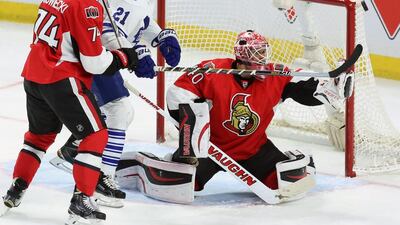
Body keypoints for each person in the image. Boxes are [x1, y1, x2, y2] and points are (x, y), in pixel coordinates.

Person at [113, 30, 353, 203]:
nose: (261, 62)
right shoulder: (213, 70)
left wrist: (325, 89)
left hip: (255, 150)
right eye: (255, 57)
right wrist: (194, 129)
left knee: (289, 184)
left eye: (263, 55)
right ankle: (139, 164)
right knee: (179, 188)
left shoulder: (274, 75)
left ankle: (295, 159)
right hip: (210, 150)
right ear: (241, 58)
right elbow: (177, 93)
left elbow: (302, 89)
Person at [0, 0, 142, 223]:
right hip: (61, 79)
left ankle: (16, 189)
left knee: (39, 138)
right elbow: (93, 63)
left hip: (34, 75)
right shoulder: (87, 6)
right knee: (95, 136)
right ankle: (81, 202)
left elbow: (72, 38)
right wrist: (122, 58)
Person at [49, 0, 181, 208]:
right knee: (119, 110)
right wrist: (136, 54)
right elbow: (104, 27)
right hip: (92, 55)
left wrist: (161, 36)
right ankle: (100, 179)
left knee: (109, 113)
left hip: (100, 55)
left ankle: (73, 150)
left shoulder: (142, 4)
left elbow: (134, 24)